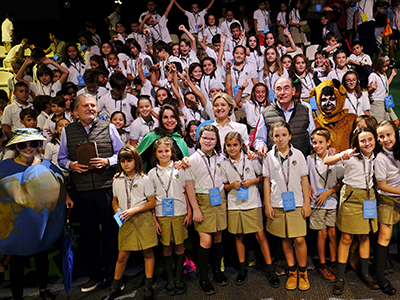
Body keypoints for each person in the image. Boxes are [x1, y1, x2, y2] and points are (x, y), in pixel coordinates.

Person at [58, 93, 124, 292]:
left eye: (93, 106)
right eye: (86, 106)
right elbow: (61, 159)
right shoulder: (67, 131)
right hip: (82, 190)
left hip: (106, 189)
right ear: (76, 111)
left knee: (111, 233)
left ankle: (115, 276)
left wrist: (107, 161)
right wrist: (72, 164)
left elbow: (121, 154)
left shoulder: (109, 127)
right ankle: (96, 275)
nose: (91, 109)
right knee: (89, 235)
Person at [0, 128, 69, 300]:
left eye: (33, 144)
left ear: (39, 145)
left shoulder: (48, 166)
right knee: (17, 263)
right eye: (22, 144)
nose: (28, 148)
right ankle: (17, 297)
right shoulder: (4, 168)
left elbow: (60, 186)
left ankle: (43, 290)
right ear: (16, 147)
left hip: (42, 226)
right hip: (16, 229)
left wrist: (66, 198)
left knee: (41, 257)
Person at [325, 127, 379, 295]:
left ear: (374, 140)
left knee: (364, 236)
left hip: (368, 197)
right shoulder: (350, 154)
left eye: (370, 139)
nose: (367, 143)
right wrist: (342, 155)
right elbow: (327, 161)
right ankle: (340, 277)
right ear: (357, 142)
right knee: (347, 237)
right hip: (351, 198)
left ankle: (365, 272)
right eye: (363, 140)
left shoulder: (376, 156)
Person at [221, 131, 279, 286]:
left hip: (253, 202)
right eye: (229, 145)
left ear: (241, 145)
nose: (232, 148)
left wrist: (252, 182)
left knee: (260, 235)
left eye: (235, 145)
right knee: (239, 235)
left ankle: (270, 269)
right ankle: (242, 268)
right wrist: (232, 185)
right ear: (225, 147)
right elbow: (224, 186)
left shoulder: (251, 159)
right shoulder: (224, 164)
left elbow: (262, 176)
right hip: (235, 205)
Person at [102, 145, 157, 300]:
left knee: (147, 252)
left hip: (143, 219)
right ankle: (115, 286)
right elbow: (114, 200)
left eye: (129, 160)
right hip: (125, 220)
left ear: (136, 161)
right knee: (122, 256)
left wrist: (134, 210)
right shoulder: (117, 179)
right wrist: (116, 209)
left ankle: (148, 285)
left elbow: (152, 202)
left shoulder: (144, 179)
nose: (126, 164)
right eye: (122, 161)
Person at [263, 120, 311, 291]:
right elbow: (267, 181)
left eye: (284, 135)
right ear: (272, 137)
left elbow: (304, 179)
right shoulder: (269, 156)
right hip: (277, 203)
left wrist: (306, 203)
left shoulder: (298, 155)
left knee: (299, 239)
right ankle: (292, 271)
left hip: (297, 203)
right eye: (277, 135)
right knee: (285, 238)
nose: (280, 139)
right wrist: (267, 204)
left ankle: (303, 272)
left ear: (290, 136)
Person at [185, 124, 227, 295]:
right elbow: (189, 186)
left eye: (212, 138)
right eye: (205, 137)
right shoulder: (192, 159)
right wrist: (195, 209)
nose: (208, 141)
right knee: (206, 241)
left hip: (219, 199)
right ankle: (203, 277)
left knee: (218, 237)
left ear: (217, 141)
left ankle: (217, 271)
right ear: (199, 138)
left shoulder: (222, 157)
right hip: (202, 200)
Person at [149, 137, 193, 296]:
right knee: (166, 246)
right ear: (155, 153)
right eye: (160, 151)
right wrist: (154, 220)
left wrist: (189, 212)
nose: (164, 154)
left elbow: (187, 192)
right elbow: (151, 198)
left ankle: (179, 278)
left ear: (171, 152)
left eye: (167, 151)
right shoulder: (152, 173)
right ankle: (170, 279)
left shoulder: (180, 169)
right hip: (162, 214)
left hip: (180, 213)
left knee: (179, 245)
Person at [307, 128, 343, 282]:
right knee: (321, 234)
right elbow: (305, 177)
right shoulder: (309, 159)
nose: (317, 145)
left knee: (333, 234)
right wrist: (308, 186)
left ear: (328, 142)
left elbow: (341, 183)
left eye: (321, 142)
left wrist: (327, 193)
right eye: (314, 142)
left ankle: (333, 262)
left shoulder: (336, 158)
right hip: (317, 202)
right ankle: (322, 264)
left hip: (332, 200)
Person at [255, 77, 315, 157]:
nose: (282, 92)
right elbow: (260, 139)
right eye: (279, 89)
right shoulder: (266, 113)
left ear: (293, 91)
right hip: (276, 162)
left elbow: (313, 136)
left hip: (301, 161)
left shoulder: (305, 110)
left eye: (286, 88)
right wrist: (261, 146)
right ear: (274, 93)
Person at [374, 120, 399, 295]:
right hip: (388, 199)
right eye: (381, 136)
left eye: (388, 135)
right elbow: (382, 185)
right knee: (385, 236)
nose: (385, 139)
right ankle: (381, 278)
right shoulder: (381, 158)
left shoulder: (397, 151)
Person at [136, 104, 189, 172]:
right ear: (161, 120)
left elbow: (186, 165)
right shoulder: (151, 136)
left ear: (177, 119)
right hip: (153, 178)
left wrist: (183, 163)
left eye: (172, 117)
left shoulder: (180, 141)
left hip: (175, 179)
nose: (169, 120)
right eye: (165, 117)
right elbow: (135, 156)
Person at [368, 54, 399, 125]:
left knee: (394, 123)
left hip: (386, 101)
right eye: (384, 66)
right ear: (378, 65)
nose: (386, 68)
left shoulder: (383, 75)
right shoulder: (373, 75)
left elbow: (385, 85)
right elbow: (369, 91)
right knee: (379, 125)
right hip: (377, 102)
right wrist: (372, 88)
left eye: (387, 66)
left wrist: (392, 75)